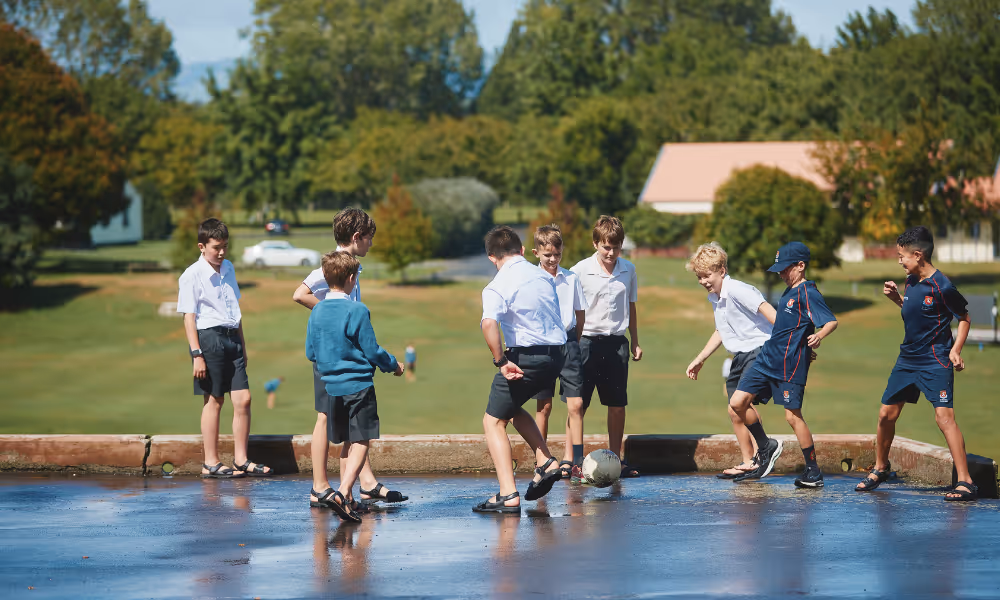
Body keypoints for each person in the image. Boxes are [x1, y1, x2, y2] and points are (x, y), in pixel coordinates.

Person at [292, 208, 408, 505]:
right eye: (369, 238)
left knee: (352, 424)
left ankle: (365, 483)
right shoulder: (333, 267)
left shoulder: (348, 265)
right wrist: (332, 317)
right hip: (333, 356)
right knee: (325, 417)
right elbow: (299, 294)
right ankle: (320, 486)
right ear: (357, 237)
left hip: (346, 354)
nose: (371, 244)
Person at [855, 226, 976, 501]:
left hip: (935, 358)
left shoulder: (943, 286)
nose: (899, 261)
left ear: (918, 255)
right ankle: (881, 467)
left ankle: (966, 482)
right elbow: (917, 314)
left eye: (902, 256)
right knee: (886, 414)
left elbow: (965, 317)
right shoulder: (910, 281)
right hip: (907, 358)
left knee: (944, 419)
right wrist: (897, 299)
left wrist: (956, 350)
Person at [729, 241, 838, 487]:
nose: (780, 273)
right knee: (737, 403)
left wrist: (818, 337)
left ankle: (813, 471)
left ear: (801, 266)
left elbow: (830, 321)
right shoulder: (788, 292)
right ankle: (766, 447)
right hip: (767, 358)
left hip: (790, 365)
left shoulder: (809, 292)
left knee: (792, 417)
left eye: (785, 268)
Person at [306, 251, 404, 522]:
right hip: (358, 384)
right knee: (361, 440)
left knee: (345, 442)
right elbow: (372, 350)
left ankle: (347, 500)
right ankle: (344, 490)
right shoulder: (357, 310)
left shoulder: (317, 311)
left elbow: (310, 353)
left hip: (331, 388)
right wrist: (393, 365)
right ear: (351, 279)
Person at [474, 226, 567, 514]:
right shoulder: (542, 274)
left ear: (492, 257)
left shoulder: (497, 285)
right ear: (524, 250)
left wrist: (501, 361)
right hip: (558, 355)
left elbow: (489, 324)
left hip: (527, 356)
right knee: (511, 408)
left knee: (492, 421)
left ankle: (508, 494)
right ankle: (546, 461)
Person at [177, 218, 272, 479]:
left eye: (225, 247)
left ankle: (241, 459)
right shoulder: (191, 275)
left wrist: (242, 344)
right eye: (216, 247)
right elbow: (189, 318)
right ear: (201, 246)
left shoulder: (228, 268)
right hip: (208, 339)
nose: (221, 253)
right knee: (215, 400)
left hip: (232, 338)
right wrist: (196, 354)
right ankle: (210, 462)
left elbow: (234, 310)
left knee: (243, 399)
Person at [684, 242, 777, 479]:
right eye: (699, 277)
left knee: (739, 403)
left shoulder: (738, 290)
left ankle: (766, 447)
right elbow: (721, 331)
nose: (703, 281)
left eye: (707, 275)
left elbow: (773, 316)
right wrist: (700, 358)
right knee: (734, 410)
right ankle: (750, 461)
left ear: (722, 270)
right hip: (740, 355)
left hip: (760, 350)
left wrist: (794, 344)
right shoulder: (716, 297)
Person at [570, 216, 643, 478]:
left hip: (616, 344)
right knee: (579, 405)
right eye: (606, 247)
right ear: (595, 244)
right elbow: (572, 310)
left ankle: (615, 460)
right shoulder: (579, 271)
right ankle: (573, 462)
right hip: (586, 343)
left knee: (617, 405)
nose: (611, 253)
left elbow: (631, 307)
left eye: (616, 247)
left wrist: (635, 341)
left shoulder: (629, 270)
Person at [530, 225, 588, 482]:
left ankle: (577, 462)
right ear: (536, 253)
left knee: (576, 403)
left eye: (557, 254)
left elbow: (580, 314)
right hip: (541, 345)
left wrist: (574, 340)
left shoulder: (571, 278)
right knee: (544, 406)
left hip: (568, 343)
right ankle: (541, 462)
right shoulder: (531, 279)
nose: (553, 260)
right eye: (547, 255)